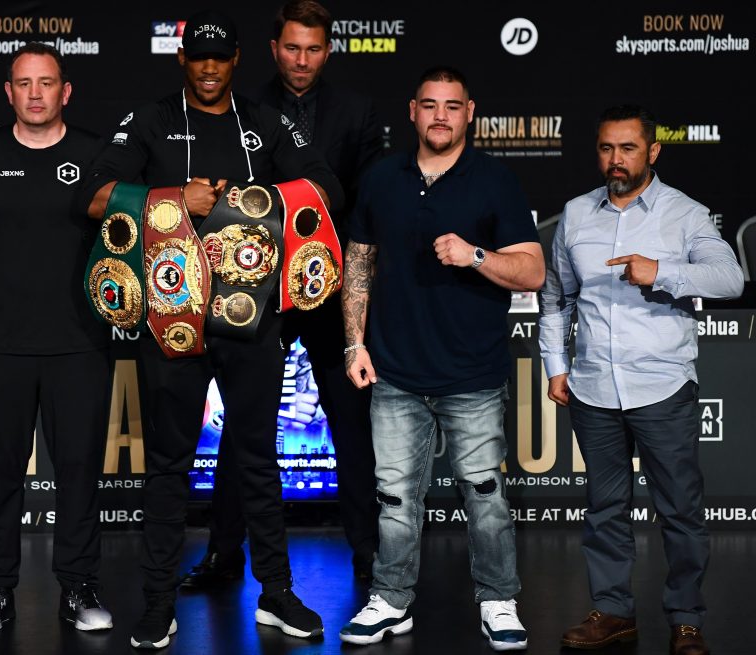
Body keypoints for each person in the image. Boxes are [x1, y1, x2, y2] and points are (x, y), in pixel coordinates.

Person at [75, 9, 344, 649]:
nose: (208, 68)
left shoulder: (262, 121)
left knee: (256, 457)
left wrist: (251, 206)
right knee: (167, 463)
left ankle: (275, 593)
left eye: (219, 58)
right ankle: (159, 603)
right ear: (182, 59)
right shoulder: (152, 120)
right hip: (169, 321)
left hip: (249, 319)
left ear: (236, 63)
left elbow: (327, 188)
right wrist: (174, 200)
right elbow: (90, 196)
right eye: (197, 57)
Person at [339, 65, 543, 650]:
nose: (440, 116)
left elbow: (531, 269)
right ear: (412, 111)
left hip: (472, 375)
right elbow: (358, 266)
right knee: (396, 501)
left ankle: (498, 599)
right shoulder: (381, 178)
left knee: (485, 500)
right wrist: (354, 342)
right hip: (395, 373)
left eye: (452, 106)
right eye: (429, 105)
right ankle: (391, 600)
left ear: (469, 112)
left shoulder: (496, 181)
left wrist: (475, 253)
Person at [180, 0, 381, 590]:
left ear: (328, 49)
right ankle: (223, 554)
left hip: (329, 285)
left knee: (350, 420)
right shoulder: (242, 105)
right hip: (256, 285)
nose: (302, 59)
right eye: (292, 48)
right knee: (245, 422)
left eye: (313, 49)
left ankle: (368, 558)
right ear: (272, 49)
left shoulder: (357, 111)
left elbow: (362, 200)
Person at [539, 105, 743, 655]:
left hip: (662, 387)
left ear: (653, 152)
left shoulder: (685, 214)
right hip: (594, 390)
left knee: (678, 509)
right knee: (604, 508)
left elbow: (731, 278)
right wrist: (557, 368)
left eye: (628, 148)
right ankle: (612, 613)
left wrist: (664, 272)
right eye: (606, 148)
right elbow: (556, 298)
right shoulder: (577, 215)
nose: (616, 160)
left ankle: (686, 619)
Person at [0, 42, 113, 633]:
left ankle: (80, 588)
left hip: (80, 344)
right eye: (24, 83)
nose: (36, 93)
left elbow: (122, 240)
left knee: (78, 471)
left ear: (65, 92)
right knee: (1, 474)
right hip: (3, 344)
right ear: (9, 92)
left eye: (47, 83)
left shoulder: (96, 153)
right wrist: (20, 279)